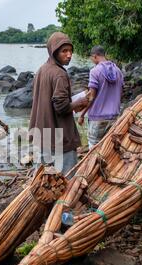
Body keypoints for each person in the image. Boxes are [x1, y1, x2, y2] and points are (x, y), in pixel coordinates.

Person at [29, 32, 87, 175]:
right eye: (64, 51)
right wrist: (80, 102)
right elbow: (61, 107)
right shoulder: (59, 74)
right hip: (59, 137)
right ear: (54, 52)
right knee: (67, 178)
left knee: (42, 178)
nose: (69, 55)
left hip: (42, 133)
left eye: (71, 51)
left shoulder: (42, 70)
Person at [78, 45, 124, 149]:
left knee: (94, 148)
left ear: (95, 56)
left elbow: (92, 97)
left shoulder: (95, 71)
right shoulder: (118, 71)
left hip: (98, 118)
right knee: (109, 147)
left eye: (91, 57)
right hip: (114, 116)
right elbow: (120, 94)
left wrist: (82, 114)